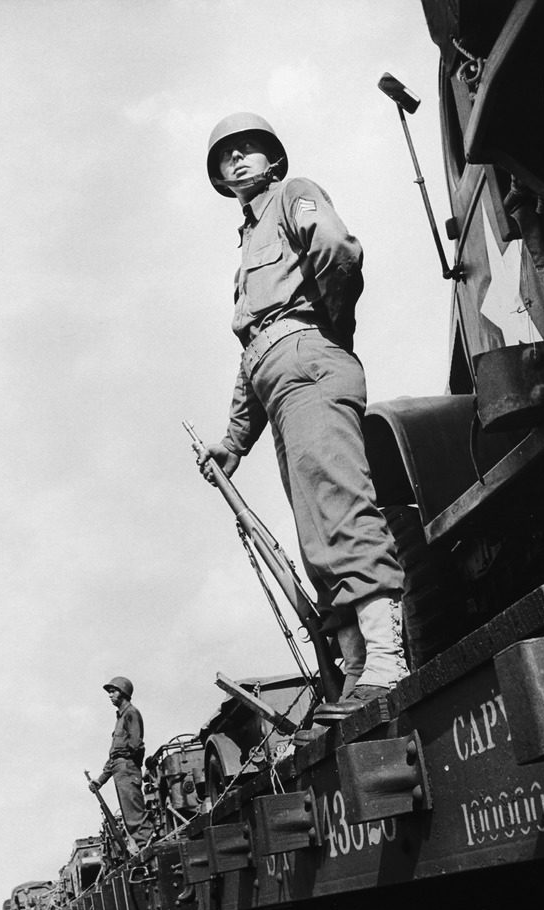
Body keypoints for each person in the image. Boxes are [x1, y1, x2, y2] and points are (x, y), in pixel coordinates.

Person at [198, 112, 408, 709]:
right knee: (316, 526)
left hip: (309, 358)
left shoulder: (295, 194)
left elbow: (337, 252)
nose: (237, 159)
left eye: (249, 149)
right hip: (278, 372)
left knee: (339, 505)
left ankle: (388, 661)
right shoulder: (247, 242)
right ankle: (358, 669)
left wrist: (325, 330)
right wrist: (234, 443)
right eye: (226, 154)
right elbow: (252, 351)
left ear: (273, 160)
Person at [88, 676, 153, 850]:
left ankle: (147, 844)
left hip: (127, 769)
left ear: (123, 693)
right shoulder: (121, 717)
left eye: (113, 691)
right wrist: (100, 780)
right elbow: (115, 755)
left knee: (134, 815)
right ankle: (144, 846)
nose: (110, 695)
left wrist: (130, 765)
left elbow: (136, 745)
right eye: (109, 692)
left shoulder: (131, 713)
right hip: (121, 769)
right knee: (129, 815)